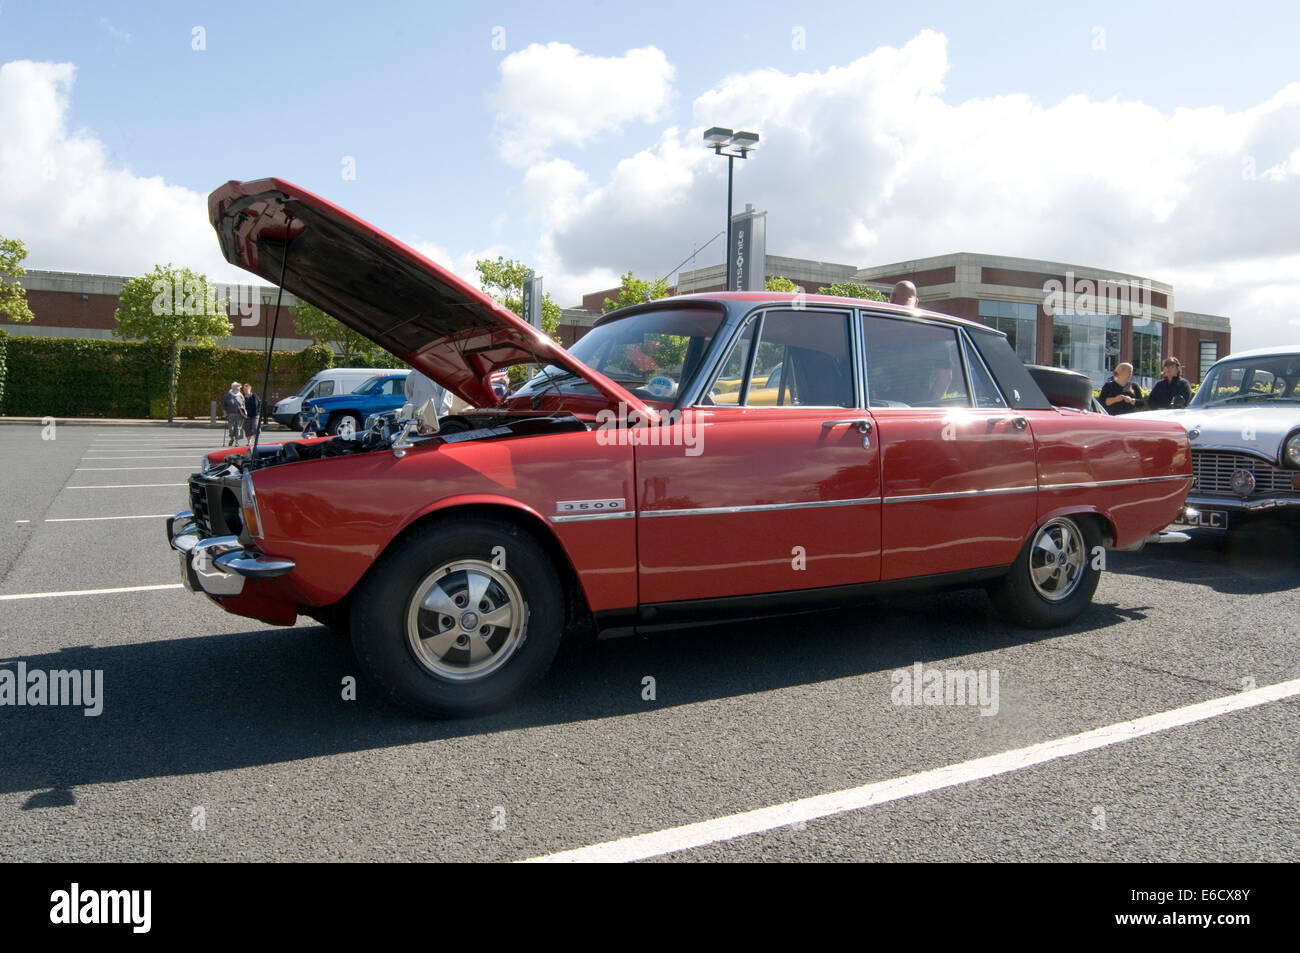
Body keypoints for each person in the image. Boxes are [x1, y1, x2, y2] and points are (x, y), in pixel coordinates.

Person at [221, 381, 246, 446]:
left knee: (238, 428)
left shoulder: (241, 395)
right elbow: (223, 404)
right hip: (230, 414)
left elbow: (243, 404)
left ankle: (237, 441)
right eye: (238, 387)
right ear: (233, 388)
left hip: (239, 414)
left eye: (239, 387)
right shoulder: (228, 396)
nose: (239, 389)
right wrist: (224, 412)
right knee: (231, 428)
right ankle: (232, 438)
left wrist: (244, 411)